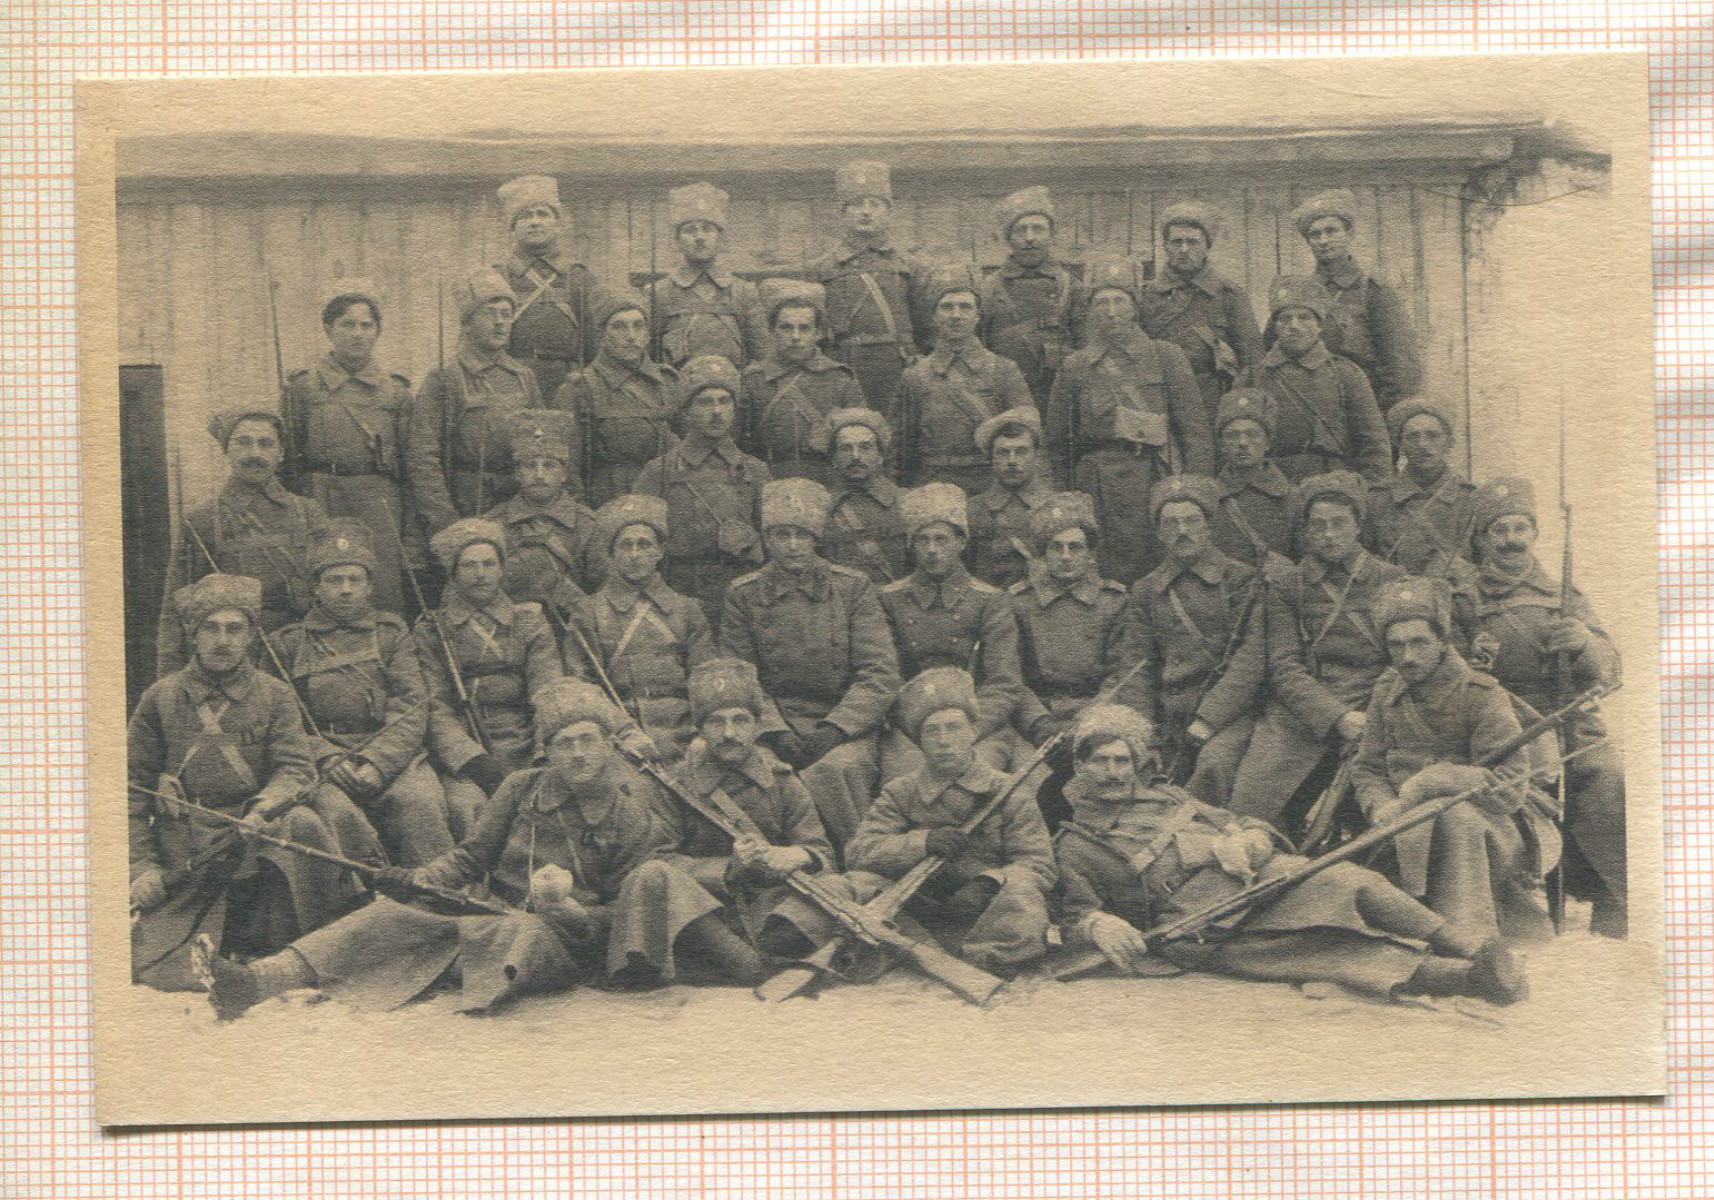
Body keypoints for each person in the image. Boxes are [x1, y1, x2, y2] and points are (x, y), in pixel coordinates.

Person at [192, 679, 747, 1019]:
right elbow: (470, 858)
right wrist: (419, 878)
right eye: (564, 744)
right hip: (488, 910)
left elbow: (626, 913)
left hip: (563, 941)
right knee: (388, 917)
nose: (577, 754)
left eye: (588, 741)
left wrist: (571, 912)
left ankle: (428, 965)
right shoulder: (520, 788)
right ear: (547, 751)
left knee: (519, 933)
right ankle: (259, 980)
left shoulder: (631, 808)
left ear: (608, 746)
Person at [1049, 704, 1527, 1005]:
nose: (1113, 772)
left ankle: (1464, 944)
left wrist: (1251, 840)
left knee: (1350, 880)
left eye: (1122, 760)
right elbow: (1072, 913)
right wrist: (1097, 924)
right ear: (1079, 766)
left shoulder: (1170, 797)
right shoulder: (1074, 843)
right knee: (1322, 950)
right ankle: (1470, 979)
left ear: (1137, 763)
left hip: (1258, 876)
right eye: (1100, 761)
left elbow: (1242, 821)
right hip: (1199, 920)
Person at [130, 574, 359, 992]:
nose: (223, 640)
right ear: (193, 635)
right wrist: (142, 868)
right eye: (211, 628)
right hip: (187, 840)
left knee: (303, 824)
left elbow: (295, 768)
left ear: (251, 635)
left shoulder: (275, 694)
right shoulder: (160, 698)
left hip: (255, 829)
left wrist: (264, 807)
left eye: (235, 629)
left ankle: (308, 948)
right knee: (159, 958)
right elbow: (131, 792)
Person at [1350, 577, 1555, 945]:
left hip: (1489, 827)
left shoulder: (1480, 694)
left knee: (1453, 820)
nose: (1407, 656)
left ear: (1442, 642)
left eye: (1419, 642)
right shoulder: (1386, 692)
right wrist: (1379, 805)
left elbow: (1510, 788)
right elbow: (1367, 767)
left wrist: (1433, 782)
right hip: (1402, 819)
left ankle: (1471, 940)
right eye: (1396, 645)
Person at [1465, 476, 1626, 937]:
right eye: (1499, 530)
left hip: (1568, 719)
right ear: (1483, 539)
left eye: (1520, 528)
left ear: (1534, 534)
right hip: (1502, 723)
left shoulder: (1564, 595)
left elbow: (1612, 669)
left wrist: (1583, 643)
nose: (1511, 540)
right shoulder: (1465, 600)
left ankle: (1613, 900)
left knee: (1606, 775)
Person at [717, 478, 901, 854]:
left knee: (838, 768)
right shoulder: (744, 594)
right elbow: (740, 676)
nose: (792, 545)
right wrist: (774, 732)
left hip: (844, 725)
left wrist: (835, 729)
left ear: (816, 538)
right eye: (781, 535)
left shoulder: (852, 588)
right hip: (772, 725)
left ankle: (860, 857)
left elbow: (879, 672)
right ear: (767, 540)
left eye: (801, 535)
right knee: (760, 772)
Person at [1228, 471, 1408, 836]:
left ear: (1358, 525)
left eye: (1339, 523)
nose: (1328, 534)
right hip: (1306, 707)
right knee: (1252, 798)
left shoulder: (1390, 579)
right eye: (1318, 525)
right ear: (1306, 531)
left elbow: (1405, 656)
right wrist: (1336, 716)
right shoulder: (1289, 584)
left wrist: (1375, 710)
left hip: (1378, 700)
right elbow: (1284, 667)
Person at [844, 668, 1055, 976]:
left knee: (1023, 893)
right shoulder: (900, 791)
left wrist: (990, 882)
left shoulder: (1009, 790)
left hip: (985, 913)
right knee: (853, 884)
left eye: (954, 728)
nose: (944, 741)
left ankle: (989, 959)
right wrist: (922, 842)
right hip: (917, 908)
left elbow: (1038, 863)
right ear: (919, 741)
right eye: (932, 731)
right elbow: (859, 852)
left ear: (973, 732)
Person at [272, 522, 456, 867]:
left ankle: (436, 891)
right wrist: (325, 757)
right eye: (334, 580)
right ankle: (359, 894)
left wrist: (378, 762)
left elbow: (412, 707)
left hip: (394, 757)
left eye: (354, 580)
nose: (345, 590)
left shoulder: (392, 634)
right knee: (337, 814)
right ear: (316, 587)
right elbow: (284, 722)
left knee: (420, 804)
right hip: (325, 762)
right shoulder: (289, 643)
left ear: (370, 586)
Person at [651, 658, 842, 970]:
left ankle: (775, 948)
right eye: (716, 722)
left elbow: (820, 849)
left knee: (844, 888)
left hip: (775, 905)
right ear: (700, 728)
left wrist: (797, 855)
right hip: (711, 912)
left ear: (757, 725)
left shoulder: (781, 779)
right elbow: (658, 862)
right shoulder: (676, 785)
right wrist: (727, 868)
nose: (729, 733)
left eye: (740, 720)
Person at [1045, 256, 1213, 583]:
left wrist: (1194, 495)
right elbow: (1057, 444)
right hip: (1096, 486)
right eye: (1101, 302)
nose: (1111, 311)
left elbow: (1195, 434)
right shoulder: (1076, 366)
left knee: (1158, 571)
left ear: (1134, 307)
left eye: (1119, 301)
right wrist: (1069, 501)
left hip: (1153, 479)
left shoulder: (1165, 356)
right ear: (1090, 309)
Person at [1120, 475, 1266, 808]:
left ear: (1208, 526)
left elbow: (1250, 660)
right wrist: (1144, 734)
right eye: (1171, 523)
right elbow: (1137, 668)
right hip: (1170, 717)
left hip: (1230, 715)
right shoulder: (1146, 590)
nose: (1182, 531)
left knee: (1214, 766)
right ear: (1159, 534)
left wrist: (1209, 719)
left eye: (1191, 521)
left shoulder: (1240, 579)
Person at [414, 518, 566, 838]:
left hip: (527, 741)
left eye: (488, 564)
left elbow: (548, 689)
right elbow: (436, 706)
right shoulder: (432, 629)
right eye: (469, 565)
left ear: (501, 569)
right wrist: (471, 759)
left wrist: (543, 749)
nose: (480, 573)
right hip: (469, 747)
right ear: (454, 573)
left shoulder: (529, 622)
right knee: (467, 807)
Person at [156, 409, 329, 676]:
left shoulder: (308, 512)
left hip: (304, 655)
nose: (254, 454)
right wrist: (169, 681)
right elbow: (174, 608)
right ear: (226, 450)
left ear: (281, 453)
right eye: (243, 443)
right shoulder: (202, 520)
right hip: (235, 660)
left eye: (266, 443)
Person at [876, 482, 1028, 779]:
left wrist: (971, 728)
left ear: (961, 542)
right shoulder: (889, 599)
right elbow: (884, 675)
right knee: (905, 776)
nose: (932, 550)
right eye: (923, 540)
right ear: (911, 545)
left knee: (979, 773)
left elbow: (1004, 683)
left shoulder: (990, 600)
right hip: (910, 727)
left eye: (941, 539)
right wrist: (916, 726)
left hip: (978, 725)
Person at [281, 278, 415, 613]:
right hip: (321, 497)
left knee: (381, 586)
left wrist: (410, 530)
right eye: (348, 325)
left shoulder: (396, 391)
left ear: (377, 332)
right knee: (324, 578)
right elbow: (288, 459)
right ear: (329, 330)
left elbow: (411, 463)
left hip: (379, 502)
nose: (358, 334)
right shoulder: (304, 388)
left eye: (366, 326)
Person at [1005, 491, 1131, 830]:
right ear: (1043, 553)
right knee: (1026, 789)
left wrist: (1090, 720)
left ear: (1090, 554)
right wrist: (1039, 724)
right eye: (1055, 547)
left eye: (1075, 547)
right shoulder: (1019, 603)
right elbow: (1011, 676)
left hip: (1096, 715)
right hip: (1037, 719)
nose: (1065, 557)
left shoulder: (1113, 602)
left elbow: (1121, 673)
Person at [562, 495, 717, 764]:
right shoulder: (589, 612)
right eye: (625, 545)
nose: (635, 555)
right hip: (619, 735)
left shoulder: (687, 609)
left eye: (644, 544)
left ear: (660, 551)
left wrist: (704, 734)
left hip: (685, 734)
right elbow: (583, 688)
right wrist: (621, 733)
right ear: (612, 553)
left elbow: (706, 681)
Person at [406, 267, 543, 538]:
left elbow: (542, 447)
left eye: (506, 314)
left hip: (518, 505)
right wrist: (445, 521)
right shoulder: (445, 378)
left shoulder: (524, 377)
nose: (500, 322)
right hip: (466, 504)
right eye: (489, 313)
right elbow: (423, 457)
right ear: (468, 322)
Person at [634, 355, 770, 624]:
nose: (716, 411)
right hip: (680, 594)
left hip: (739, 597)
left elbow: (771, 545)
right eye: (705, 402)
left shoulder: (755, 471)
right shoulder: (660, 471)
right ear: (687, 410)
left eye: (724, 401)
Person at [894, 262, 1033, 494]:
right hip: (933, 485)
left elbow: (1028, 434)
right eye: (947, 307)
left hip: (991, 486)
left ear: (978, 316)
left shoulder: (1004, 370)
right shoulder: (915, 376)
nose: (956, 315)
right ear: (933, 316)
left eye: (965, 307)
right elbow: (900, 448)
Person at [805, 160, 927, 411]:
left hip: (898, 367)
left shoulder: (910, 266)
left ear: (889, 212)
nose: (866, 212)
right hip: (843, 367)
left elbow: (926, 328)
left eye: (874, 204)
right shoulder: (822, 268)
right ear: (842, 212)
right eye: (857, 204)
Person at [1289, 188, 1422, 411]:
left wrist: (1379, 416)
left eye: (1331, 231)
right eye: (1315, 234)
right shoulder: (1300, 292)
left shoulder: (1373, 290)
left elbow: (1401, 366)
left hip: (1363, 409)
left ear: (1349, 234)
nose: (1323, 240)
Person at [1137, 202, 1264, 428]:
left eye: (1193, 242)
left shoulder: (1229, 295)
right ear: (1165, 246)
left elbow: (1252, 362)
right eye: (1177, 242)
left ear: (1207, 246)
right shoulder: (1147, 296)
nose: (1184, 249)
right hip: (1160, 402)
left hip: (1212, 404)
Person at [1255, 275, 1391, 485]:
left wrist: (1373, 490)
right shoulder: (1255, 377)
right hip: (1272, 486)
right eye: (1285, 318)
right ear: (1275, 326)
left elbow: (1373, 444)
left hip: (1333, 485)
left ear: (1319, 325)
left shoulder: (1346, 374)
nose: (1294, 325)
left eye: (1304, 318)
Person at [556, 291, 679, 509]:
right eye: (619, 327)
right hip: (607, 499)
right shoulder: (580, 388)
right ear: (602, 336)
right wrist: (582, 512)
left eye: (638, 326)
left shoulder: (668, 382)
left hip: (664, 497)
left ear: (648, 335)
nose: (631, 336)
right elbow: (568, 467)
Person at [740, 278, 865, 483]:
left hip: (828, 481)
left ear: (817, 333)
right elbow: (739, 445)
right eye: (786, 328)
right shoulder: (753, 381)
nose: (795, 336)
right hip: (769, 481)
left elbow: (862, 440)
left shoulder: (841, 380)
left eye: (804, 328)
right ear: (772, 331)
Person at [494, 174, 605, 398]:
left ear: (557, 224)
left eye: (543, 214)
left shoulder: (578, 276)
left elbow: (596, 343)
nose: (535, 222)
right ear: (513, 227)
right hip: (511, 383)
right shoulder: (497, 277)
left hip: (569, 384)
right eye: (525, 215)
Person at [482, 409, 600, 617]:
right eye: (530, 466)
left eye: (549, 465)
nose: (539, 475)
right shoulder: (493, 525)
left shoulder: (588, 524)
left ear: (564, 474)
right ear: (518, 474)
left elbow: (603, 591)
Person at [977, 187, 1084, 409]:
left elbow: (1086, 348)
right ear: (1009, 238)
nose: (1029, 238)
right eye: (1020, 230)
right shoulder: (988, 289)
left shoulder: (1071, 287)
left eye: (1038, 228)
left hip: (1058, 398)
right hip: (1004, 397)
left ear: (1051, 235)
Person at [646, 181, 767, 370]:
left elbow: (761, 357)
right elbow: (648, 360)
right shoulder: (658, 293)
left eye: (707, 229)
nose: (699, 237)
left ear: (721, 238)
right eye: (690, 230)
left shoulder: (744, 292)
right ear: (677, 241)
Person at [1364, 396, 1479, 577]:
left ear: (1449, 443)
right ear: (1400, 445)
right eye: (1412, 437)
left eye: (1432, 436)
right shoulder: (1378, 500)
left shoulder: (1471, 499)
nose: (1422, 445)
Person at [814, 406, 907, 584]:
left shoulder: (905, 502)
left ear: (880, 455)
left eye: (865, 447)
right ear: (833, 458)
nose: (855, 456)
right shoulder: (820, 506)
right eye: (845, 448)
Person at [965, 406, 1055, 590]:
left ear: (1036, 456)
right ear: (991, 459)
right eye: (1003, 452)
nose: (1012, 461)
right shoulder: (972, 509)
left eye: (1021, 451)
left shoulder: (1057, 506)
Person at [1208, 388, 1294, 568]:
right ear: (1221, 445)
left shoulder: (1292, 498)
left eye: (1252, 434)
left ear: (1268, 442)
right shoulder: (1208, 500)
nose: (1242, 443)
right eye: (1232, 435)